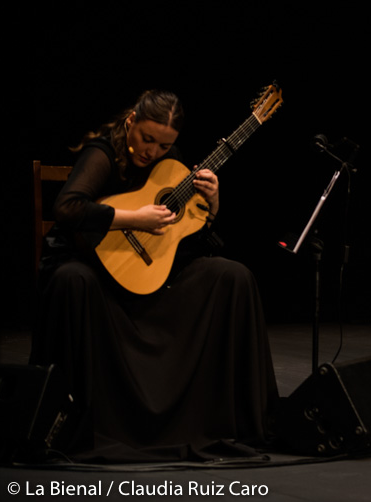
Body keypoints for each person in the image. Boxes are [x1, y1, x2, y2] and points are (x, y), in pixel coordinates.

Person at [30, 89, 278, 461]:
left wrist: (212, 204)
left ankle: (226, 419)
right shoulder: (103, 153)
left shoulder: (171, 165)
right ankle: (90, 425)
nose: (152, 152)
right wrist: (134, 219)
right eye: (147, 139)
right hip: (95, 273)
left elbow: (186, 238)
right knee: (72, 281)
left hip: (146, 277)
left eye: (164, 146)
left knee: (232, 275)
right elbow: (67, 209)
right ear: (131, 121)